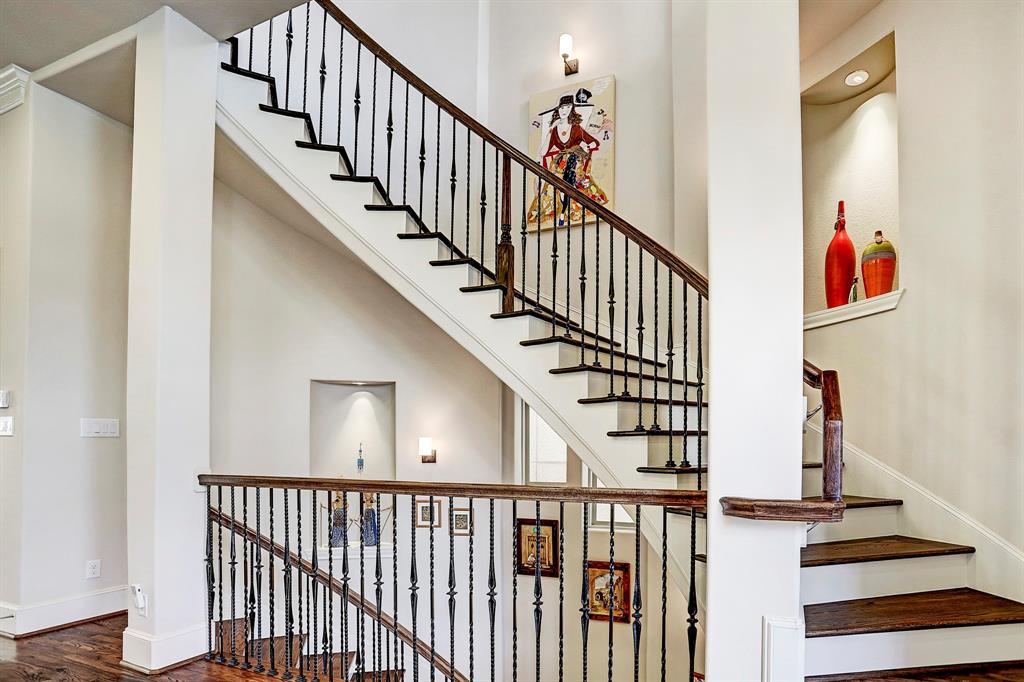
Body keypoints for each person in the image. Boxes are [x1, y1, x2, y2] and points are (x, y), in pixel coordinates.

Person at [528, 94, 608, 226]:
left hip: (575, 160)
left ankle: (565, 210)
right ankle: (562, 208)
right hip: (560, 163)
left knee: (569, 172)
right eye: (562, 107)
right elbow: (543, 152)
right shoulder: (554, 131)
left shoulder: (576, 128)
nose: (564, 110)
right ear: (558, 109)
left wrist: (586, 147)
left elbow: (594, 142)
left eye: (568, 107)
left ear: (571, 109)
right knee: (556, 178)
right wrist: (550, 129)